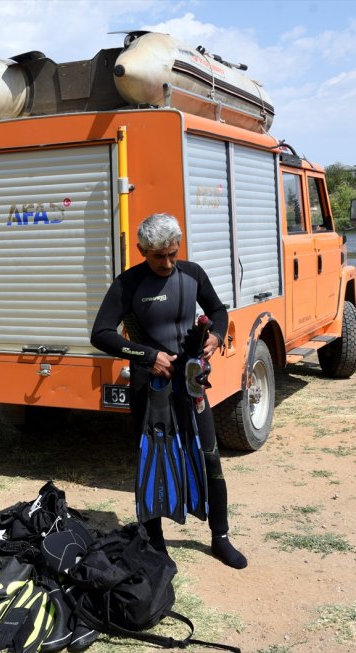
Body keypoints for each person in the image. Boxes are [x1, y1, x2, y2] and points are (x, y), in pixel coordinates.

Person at [91, 213, 247, 569]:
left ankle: (220, 537)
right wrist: (148, 356)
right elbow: (101, 334)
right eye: (158, 256)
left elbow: (219, 311)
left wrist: (215, 337)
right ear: (142, 250)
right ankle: (154, 545)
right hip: (150, 387)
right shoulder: (128, 284)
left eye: (173, 254)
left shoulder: (192, 274)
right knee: (154, 465)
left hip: (190, 382)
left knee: (209, 457)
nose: (167, 263)